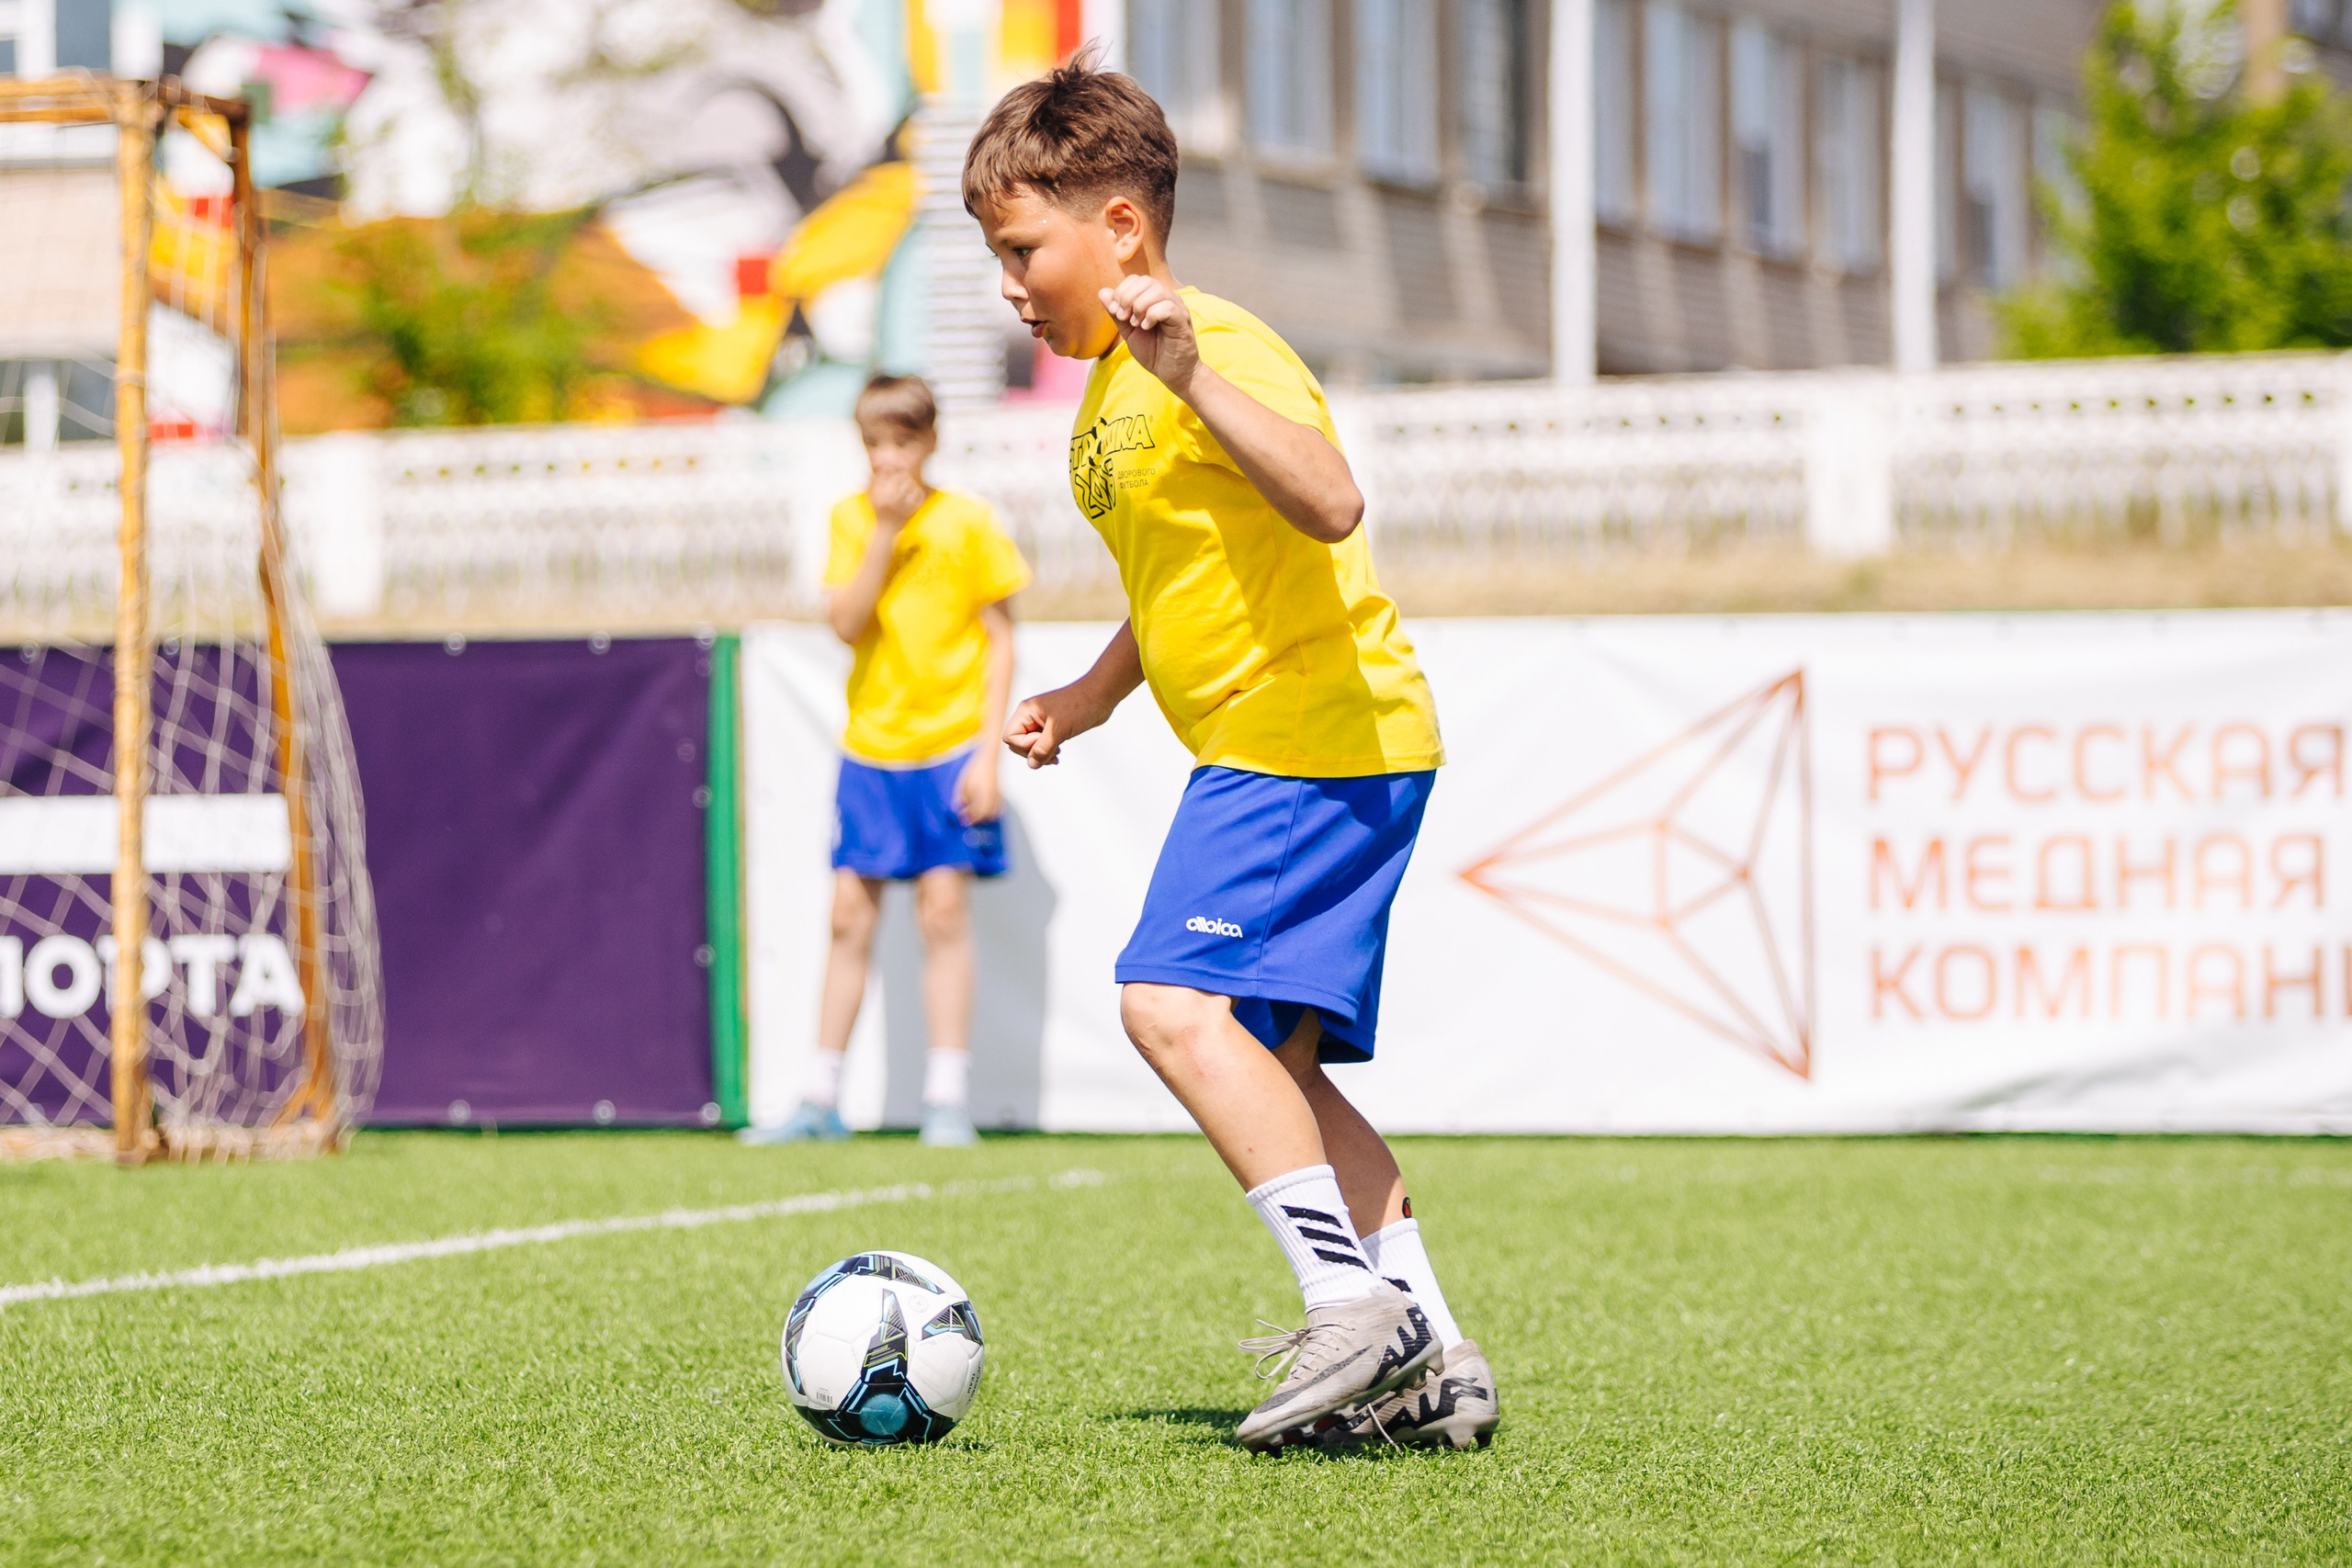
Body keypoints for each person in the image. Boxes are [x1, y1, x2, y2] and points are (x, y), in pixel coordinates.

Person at [964, 57, 1498, 1452]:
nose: (1009, 282)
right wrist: (1084, 696)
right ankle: (1434, 1355)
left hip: (1307, 733)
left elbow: (1329, 500)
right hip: (1306, 742)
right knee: (1282, 1068)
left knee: (1168, 1000)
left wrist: (1193, 366)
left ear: (1123, 227)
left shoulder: (1208, 348)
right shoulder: (1107, 396)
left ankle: (1344, 1302)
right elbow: (1180, 582)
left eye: (1025, 247)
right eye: (995, 253)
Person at [740, 374, 1030, 1149]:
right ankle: (818, 1098)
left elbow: (1002, 638)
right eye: (874, 443)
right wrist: (881, 534)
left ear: (930, 440)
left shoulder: (970, 521)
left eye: (903, 440)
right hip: (872, 748)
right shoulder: (849, 518)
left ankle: (945, 1099)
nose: (889, 456)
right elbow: (845, 621)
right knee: (847, 915)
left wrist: (987, 755)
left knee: (942, 912)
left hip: (947, 749)